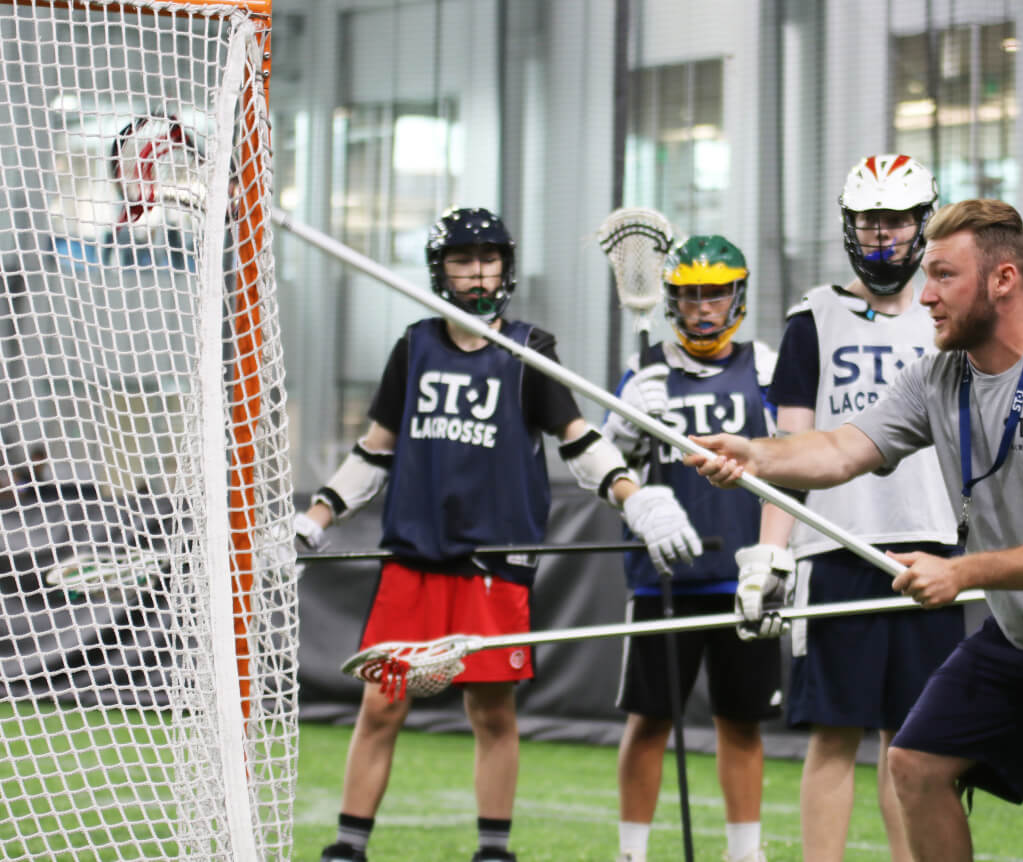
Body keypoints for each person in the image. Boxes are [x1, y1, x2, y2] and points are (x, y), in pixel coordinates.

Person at [687, 198, 1023, 862]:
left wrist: (960, 571)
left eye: (943, 276)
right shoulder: (938, 377)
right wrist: (756, 456)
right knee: (915, 765)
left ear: (1003, 280)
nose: (924, 295)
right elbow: (843, 448)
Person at [296, 206, 704, 862]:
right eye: (463, 260)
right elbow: (374, 452)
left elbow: (579, 443)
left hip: (492, 564)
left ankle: (493, 851)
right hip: (415, 561)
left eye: (488, 259)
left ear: (506, 268)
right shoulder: (415, 346)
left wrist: (638, 500)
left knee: (491, 712)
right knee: (381, 706)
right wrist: (315, 518)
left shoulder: (528, 351)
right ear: (441, 271)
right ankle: (348, 845)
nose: (477, 272)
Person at [734, 154, 963, 862]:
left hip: (929, 546)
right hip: (835, 546)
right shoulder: (813, 318)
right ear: (848, 227)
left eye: (895, 221)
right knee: (833, 733)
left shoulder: (947, 316)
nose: (882, 236)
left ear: (922, 225)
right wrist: (770, 553)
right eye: (869, 221)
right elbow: (789, 448)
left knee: (915, 741)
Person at [602, 235, 780, 862]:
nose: (704, 308)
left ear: (738, 295)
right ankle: (632, 852)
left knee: (742, 721)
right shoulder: (646, 372)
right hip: (663, 577)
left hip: (745, 574)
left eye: (716, 293)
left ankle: (744, 851)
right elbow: (605, 466)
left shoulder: (764, 366)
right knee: (650, 720)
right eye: (690, 295)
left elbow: (792, 459)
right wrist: (625, 417)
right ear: (672, 302)